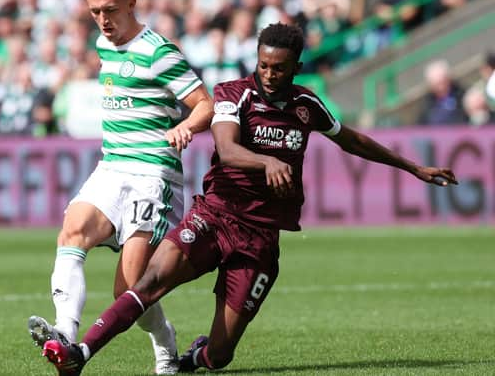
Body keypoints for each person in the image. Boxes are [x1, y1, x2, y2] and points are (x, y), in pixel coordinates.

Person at [41, 23, 458, 375]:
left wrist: (413, 168)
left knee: (220, 356)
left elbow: (351, 140)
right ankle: (80, 353)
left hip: (260, 239)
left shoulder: (306, 105)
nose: (270, 74)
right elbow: (227, 147)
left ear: (296, 67)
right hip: (215, 216)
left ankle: (193, 359)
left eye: (279, 68)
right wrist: (267, 162)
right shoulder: (232, 94)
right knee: (148, 282)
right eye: (263, 65)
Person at [27, 0, 213, 375]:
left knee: (128, 288)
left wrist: (185, 125)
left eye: (110, 10)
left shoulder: (160, 52)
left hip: (153, 175)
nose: (103, 21)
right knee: (72, 231)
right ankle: (64, 334)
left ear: (132, 2)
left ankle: (166, 344)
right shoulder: (103, 44)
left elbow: (206, 103)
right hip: (113, 167)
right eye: (94, 11)